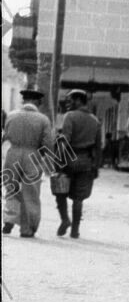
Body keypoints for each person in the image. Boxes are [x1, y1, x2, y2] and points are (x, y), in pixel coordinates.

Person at [2, 88, 54, 237]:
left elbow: (6, 135)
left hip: (14, 153)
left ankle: (9, 220)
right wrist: (49, 163)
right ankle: (27, 228)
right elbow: (48, 144)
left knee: (11, 188)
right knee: (31, 192)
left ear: (24, 101)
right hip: (33, 155)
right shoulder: (43, 119)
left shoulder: (11, 116)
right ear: (38, 102)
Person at [56, 89, 103, 238]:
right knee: (79, 197)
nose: (68, 103)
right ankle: (75, 230)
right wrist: (96, 166)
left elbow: (65, 140)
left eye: (70, 100)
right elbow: (98, 146)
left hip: (69, 160)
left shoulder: (69, 116)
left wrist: (59, 161)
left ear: (78, 100)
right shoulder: (95, 120)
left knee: (60, 191)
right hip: (86, 162)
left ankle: (65, 220)